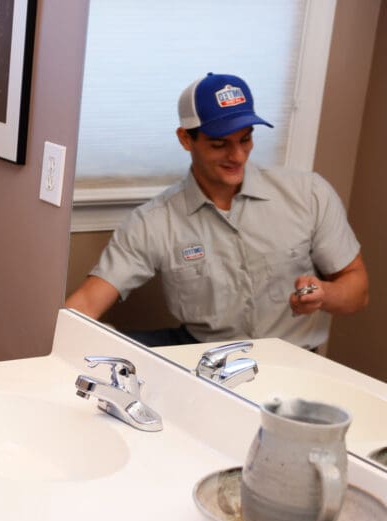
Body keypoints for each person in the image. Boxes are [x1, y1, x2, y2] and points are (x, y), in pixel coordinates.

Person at [65, 72, 369, 349]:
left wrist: (323, 294)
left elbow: (358, 290)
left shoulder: (309, 193)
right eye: (219, 144)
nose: (237, 155)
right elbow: (87, 303)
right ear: (186, 139)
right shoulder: (154, 222)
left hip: (296, 361)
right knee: (107, 345)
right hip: (207, 362)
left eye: (246, 139)